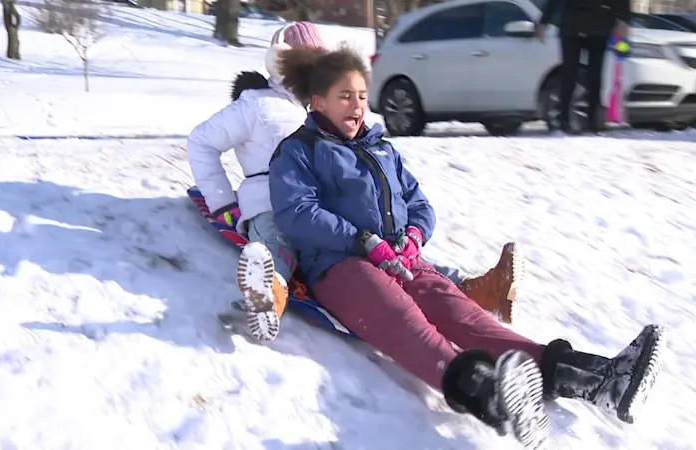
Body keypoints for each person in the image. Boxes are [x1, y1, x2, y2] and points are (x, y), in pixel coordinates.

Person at [267, 45, 667, 448]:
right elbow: (297, 212)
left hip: (403, 261)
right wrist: (362, 240)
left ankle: (596, 378)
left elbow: (419, 204)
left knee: (466, 316)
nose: (357, 105)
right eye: (344, 96)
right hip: (342, 267)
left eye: (362, 96)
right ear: (317, 102)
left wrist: (413, 238)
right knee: (403, 319)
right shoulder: (300, 151)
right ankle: (492, 397)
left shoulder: (381, 149)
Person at [186, 22, 525, 342]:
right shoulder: (256, 104)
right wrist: (224, 203)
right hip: (271, 203)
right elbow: (202, 141)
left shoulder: (323, 106)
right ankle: (267, 296)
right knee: (278, 244)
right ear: (284, 64)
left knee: (391, 255)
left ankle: (476, 289)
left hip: (327, 208)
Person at [536, 0, 631, 134]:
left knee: (593, 75)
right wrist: (544, 22)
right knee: (571, 74)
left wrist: (623, 20)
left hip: (596, 23)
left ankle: (592, 121)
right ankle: (566, 120)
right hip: (577, 23)